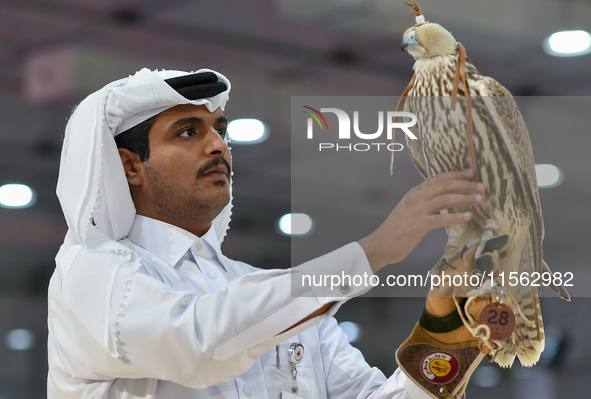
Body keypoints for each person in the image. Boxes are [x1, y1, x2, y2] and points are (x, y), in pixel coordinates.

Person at [48, 68, 485, 398]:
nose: (218, 144)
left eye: (220, 129)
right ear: (130, 165)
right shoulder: (89, 274)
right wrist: (372, 252)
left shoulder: (277, 298)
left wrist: (449, 333)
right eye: (187, 132)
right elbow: (200, 343)